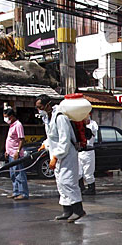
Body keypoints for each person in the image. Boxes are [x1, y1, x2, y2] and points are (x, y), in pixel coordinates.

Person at [35, 94, 86, 222]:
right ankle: (67, 210)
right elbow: (52, 137)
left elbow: (64, 141)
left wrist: (56, 157)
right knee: (60, 183)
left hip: (67, 154)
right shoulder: (47, 117)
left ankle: (78, 210)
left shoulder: (60, 117)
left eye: (40, 107)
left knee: (68, 182)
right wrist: (45, 144)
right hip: (56, 154)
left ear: (47, 105)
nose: (38, 110)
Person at [3, 107, 29, 201]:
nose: (6, 119)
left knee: (19, 173)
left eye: (7, 117)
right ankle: (16, 191)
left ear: (12, 116)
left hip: (16, 154)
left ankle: (23, 193)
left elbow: (21, 139)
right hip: (10, 153)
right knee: (13, 174)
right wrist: (7, 151)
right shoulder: (11, 125)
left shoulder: (18, 125)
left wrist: (17, 152)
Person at [78, 113, 98, 196]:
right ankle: (81, 188)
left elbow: (90, 133)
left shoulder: (93, 124)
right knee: (78, 172)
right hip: (79, 152)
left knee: (88, 172)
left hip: (88, 152)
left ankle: (91, 189)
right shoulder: (79, 125)